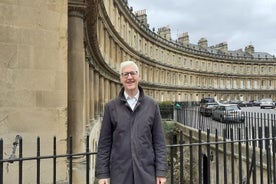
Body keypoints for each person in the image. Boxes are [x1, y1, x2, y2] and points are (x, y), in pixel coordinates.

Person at [95, 61, 168, 184]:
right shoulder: (111, 107)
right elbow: (104, 143)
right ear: (121, 79)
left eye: (132, 73)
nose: (129, 77)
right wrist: (103, 174)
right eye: (125, 74)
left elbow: (159, 141)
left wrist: (161, 171)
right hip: (120, 174)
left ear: (139, 76)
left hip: (146, 173)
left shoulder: (152, 105)